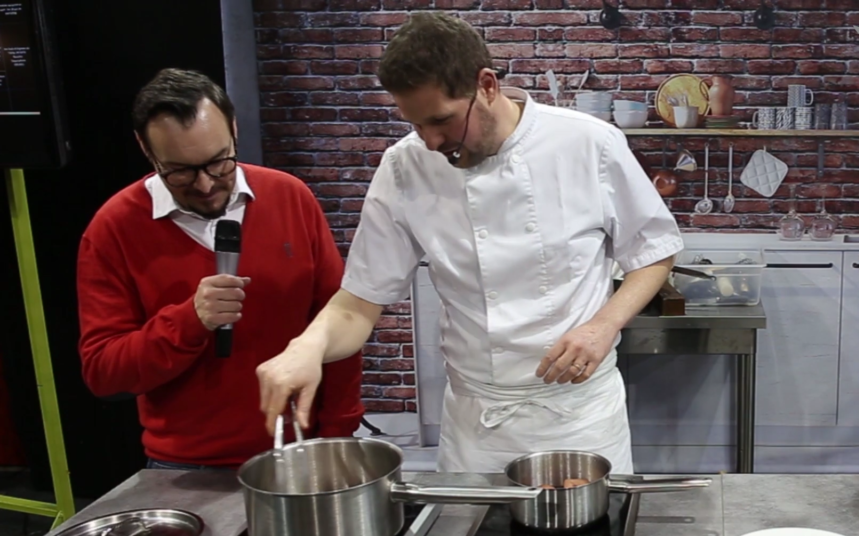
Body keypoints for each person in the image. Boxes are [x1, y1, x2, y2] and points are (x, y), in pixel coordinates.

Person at [256, 12, 682, 474]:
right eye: (416, 125)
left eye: (441, 120)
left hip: (578, 419)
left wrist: (603, 327)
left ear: (487, 85)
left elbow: (655, 252)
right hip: (475, 425)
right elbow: (359, 303)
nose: (431, 140)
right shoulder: (404, 167)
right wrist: (308, 346)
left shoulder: (588, 143)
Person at [76, 68, 365, 470]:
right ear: (145, 148)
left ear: (233, 129)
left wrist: (338, 436)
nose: (207, 185)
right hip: (186, 469)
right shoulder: (114, 229)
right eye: (180, 172)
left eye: (219, 163)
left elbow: (336, 323)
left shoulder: (290, 198)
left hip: (302, 450)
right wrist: (189, 320)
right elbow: (104, 371)